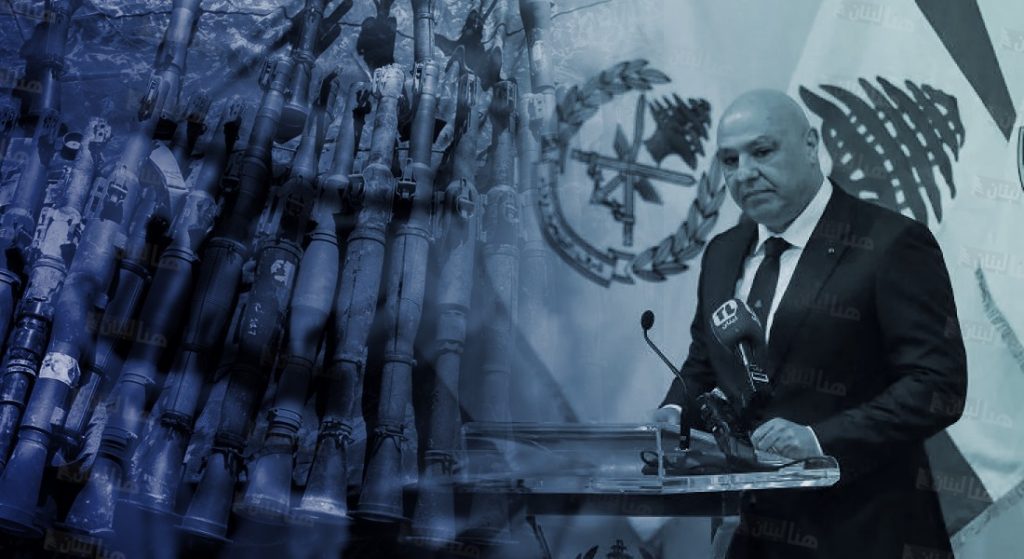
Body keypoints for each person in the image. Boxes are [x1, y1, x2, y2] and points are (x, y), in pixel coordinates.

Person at [654, 89, 967, 559]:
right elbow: (705, 362)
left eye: (762, 152)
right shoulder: (722, 253)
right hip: (753, 534)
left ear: (810, 144)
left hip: (868, 534)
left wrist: (820, 439)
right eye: (730, 160)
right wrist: (673, 414)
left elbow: (938, 385)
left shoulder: (892, 243)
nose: (745, 173)